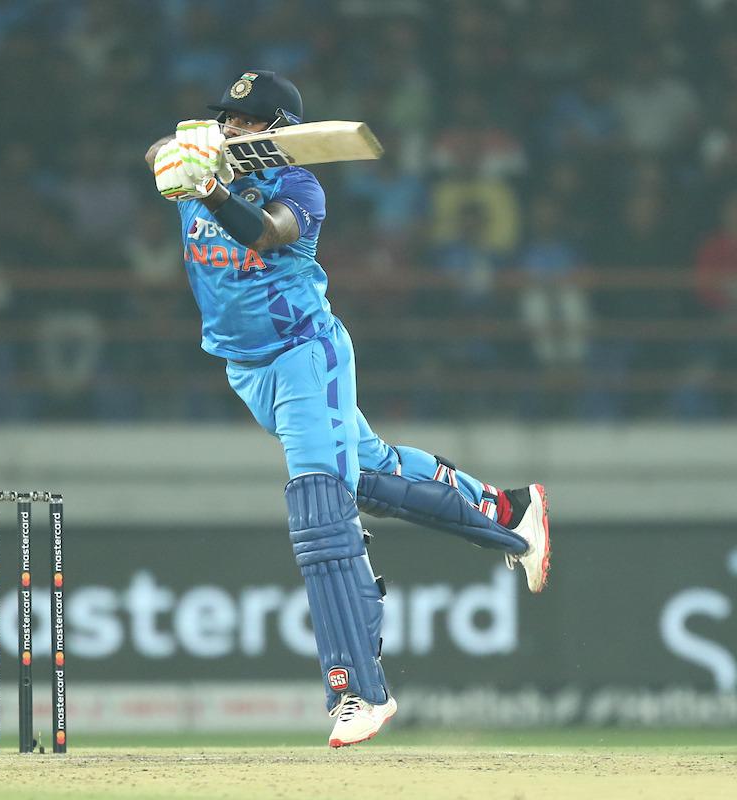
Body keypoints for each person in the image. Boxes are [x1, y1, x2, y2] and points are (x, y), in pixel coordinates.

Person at [145, 70, 550, 748]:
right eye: (227, 119)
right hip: (247, 369)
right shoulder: (198, 163)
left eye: (247, 121)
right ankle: (511, 513)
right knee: (372, 476)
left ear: (279, 130)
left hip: (305, 353)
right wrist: (177, 155)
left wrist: (209, 188)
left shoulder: (299, 187)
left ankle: (359, 691)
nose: (232, 128)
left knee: (320, 506)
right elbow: (156, 151)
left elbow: (264, 235)